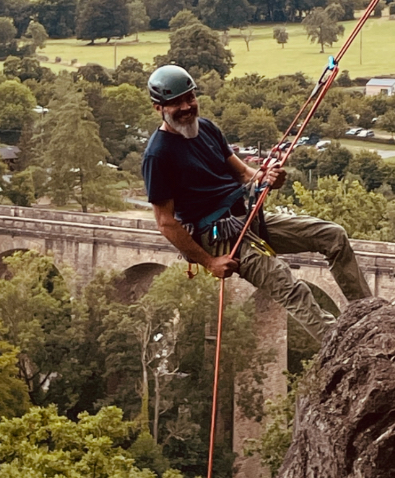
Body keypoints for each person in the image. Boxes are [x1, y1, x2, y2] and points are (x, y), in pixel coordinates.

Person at [141, 64, 372, 341]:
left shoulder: (206, 129)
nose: (187, 107)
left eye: (190, 98)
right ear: (159, 108)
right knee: (285, 282)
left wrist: (266, 179)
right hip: (218, 236)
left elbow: (242, 173)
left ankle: (367, 313)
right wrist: (209, 262)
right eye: (176, 103)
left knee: (333, 236)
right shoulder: (158, 155)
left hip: (248, 217)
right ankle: (339, 343)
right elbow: (166, 222)